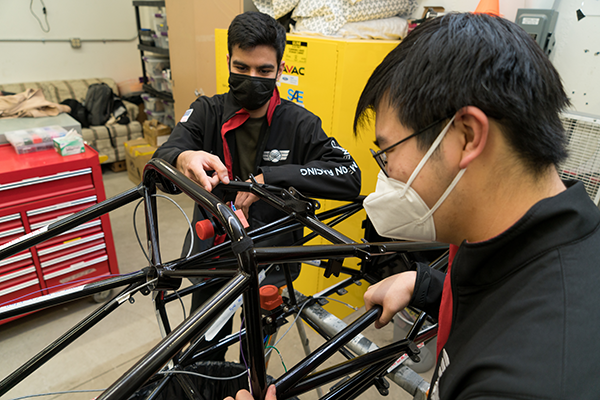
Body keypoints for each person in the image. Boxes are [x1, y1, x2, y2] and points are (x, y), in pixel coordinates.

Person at [355, 12, 600, 400]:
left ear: (467, 135)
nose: (387, 173)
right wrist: (426, 286)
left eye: (388, 153)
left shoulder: (531, 383)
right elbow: (500, 300)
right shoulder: (524, 237)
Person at [153, 11, 361, 361]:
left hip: (273, 260)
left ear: (281, 69)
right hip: (213, 255)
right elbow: (164, 155)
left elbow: (349, 174)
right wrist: (183, 158)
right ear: (229, 61)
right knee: (203, 355)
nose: (252, 78)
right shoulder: (206, 112)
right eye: (242, 68)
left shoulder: (301, 125)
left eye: (264, 71)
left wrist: (271, 179)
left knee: (256, 358)